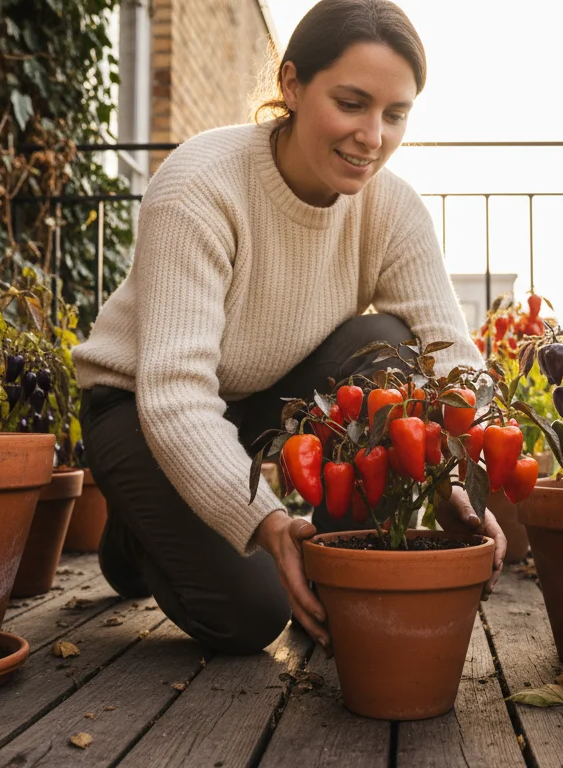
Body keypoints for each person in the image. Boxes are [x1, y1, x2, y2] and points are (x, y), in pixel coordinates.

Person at [73, 0, 505, 657]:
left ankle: (333, 555)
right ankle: (138, 527)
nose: (373, 137)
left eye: (395, 115)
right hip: (139, 407)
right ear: (293, 86)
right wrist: (267, 522)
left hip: (265, 396)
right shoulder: (201, 185)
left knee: (384, 342)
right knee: (251, 615)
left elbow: (452, 358)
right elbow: (177, 398)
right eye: (352, 103)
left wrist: (453, 480)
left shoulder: (392, 208)